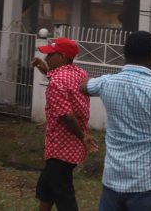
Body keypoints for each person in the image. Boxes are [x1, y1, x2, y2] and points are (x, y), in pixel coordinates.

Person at [80, 30, 151, 211]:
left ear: (125, 55)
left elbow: (83, 87)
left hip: (113, 179)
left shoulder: (107, 83)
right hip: (147, 183)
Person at [31, 37, 97, 211]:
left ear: (62, 57)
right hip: (71, 148)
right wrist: (46, 71)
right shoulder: (80, 73)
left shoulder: (57, 82)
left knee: (65, 198)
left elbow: (66, 116)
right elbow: (66, 85)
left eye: (50, 55)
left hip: (61, 149)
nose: (46, 59)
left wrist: (83, 137)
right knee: (46, 189)